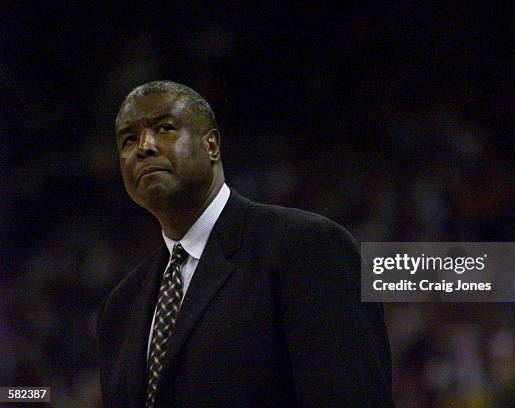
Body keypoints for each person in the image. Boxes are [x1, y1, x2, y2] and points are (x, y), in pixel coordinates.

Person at [97, 81, 393, 407]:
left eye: (164, 128)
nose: (144, 147)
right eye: (128, 139)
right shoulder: (120, 308)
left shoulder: (307, 247)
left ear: (212, 145)